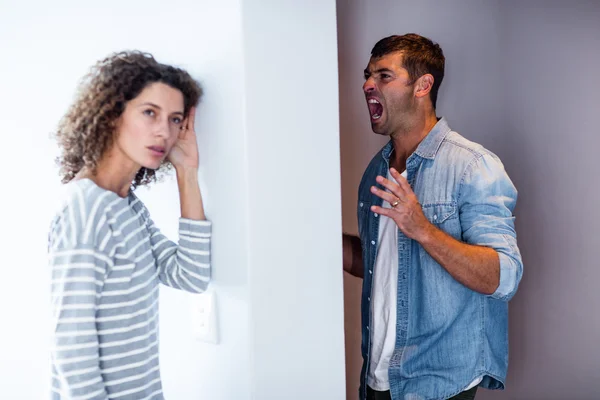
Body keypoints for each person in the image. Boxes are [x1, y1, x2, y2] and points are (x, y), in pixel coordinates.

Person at [342, 34, 523, 400]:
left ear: (423, 85)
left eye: (383, 75)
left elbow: (504, 276)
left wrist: (422, 228)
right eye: (367, 75)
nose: (367, 84)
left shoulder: (472, 166)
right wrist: (324, 241)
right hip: (377, 379)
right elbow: (387, 266)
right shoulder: (375, 172)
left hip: (439, 384)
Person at [48, 51, 211, 399]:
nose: (163, 131)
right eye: (150, 112)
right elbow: (72, 354)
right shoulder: (86, 210)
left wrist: (187, 171)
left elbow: (192, 274)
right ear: (112, 114)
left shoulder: (127, 207)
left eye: (174, 119)